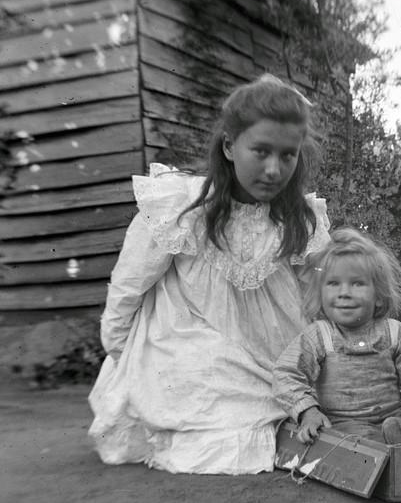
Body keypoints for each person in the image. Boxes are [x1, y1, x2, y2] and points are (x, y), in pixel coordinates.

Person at [88, 74, 330, 475]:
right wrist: (121, 356)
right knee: (217, 419)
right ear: (230, 146)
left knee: (302, 399)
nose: (273, 169)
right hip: (192, 336)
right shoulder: (181, 208)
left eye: (287, 155)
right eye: (261, 151)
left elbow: (316, 291)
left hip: (272, 344)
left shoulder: (300, 219)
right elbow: (130, 284)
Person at [273, 227, 401, 446]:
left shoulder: (396, 333)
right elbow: (286, 374)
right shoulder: (319, 335)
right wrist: (307, 410)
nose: (344, 292)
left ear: (378, 296)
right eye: (333, 283)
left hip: (395, 418)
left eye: (357, 283)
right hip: (345, 424)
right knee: (362, 443)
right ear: (321, 293)